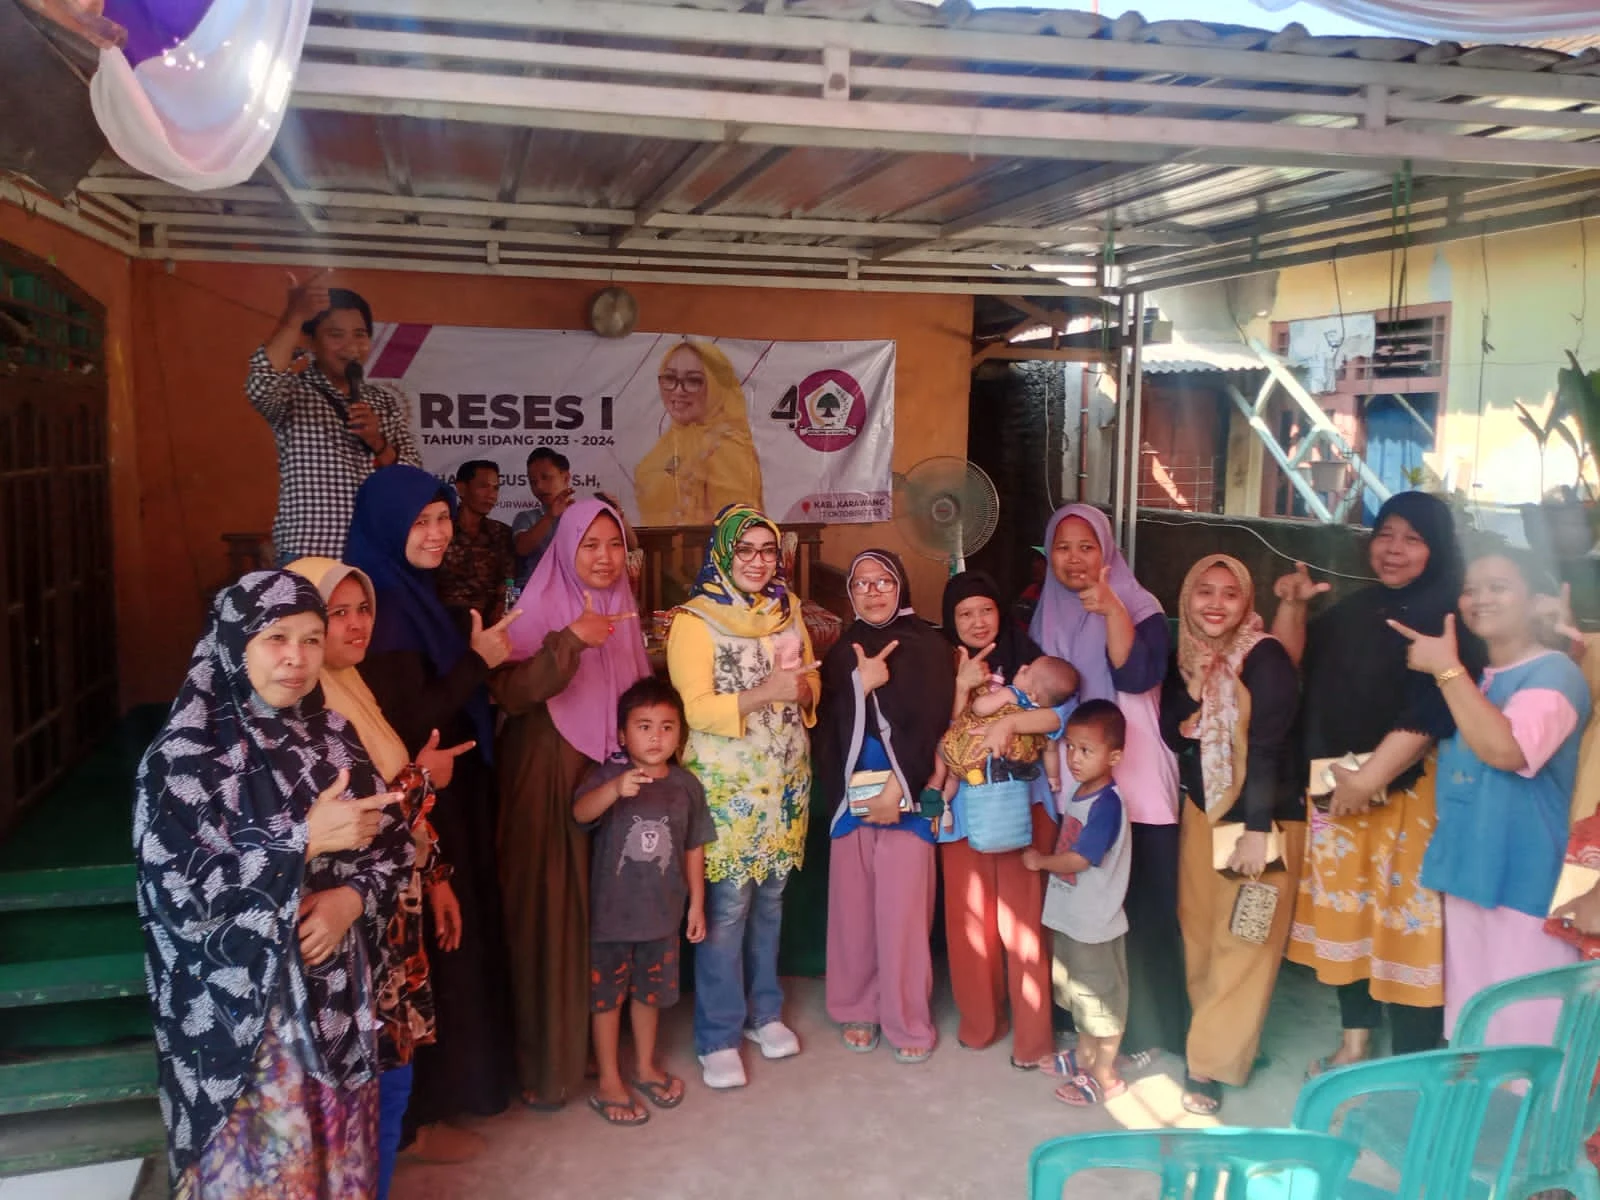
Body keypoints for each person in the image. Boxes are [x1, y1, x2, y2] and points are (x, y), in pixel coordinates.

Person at [134, 570, 411, 1195]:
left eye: (312, 639)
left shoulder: (334, 737)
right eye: (276, 638)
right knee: (264, 1175)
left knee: (341, 1165)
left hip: (336, 1006)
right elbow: (182, 894)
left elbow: (393, 845)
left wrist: (350, 900)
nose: (297, 657)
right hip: (240, 1031)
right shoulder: (184, 759)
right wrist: (303, 842)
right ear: (234, 643)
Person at [286, 557, 484, 1190]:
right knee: (358, 1095)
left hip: (392, 913)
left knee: (393, 1075)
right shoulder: (304, 710)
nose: (356, 625)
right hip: (347, 933)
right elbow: (360, 818)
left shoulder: (352, 685)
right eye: (336, 613)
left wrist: (436, 875)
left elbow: (395, 804)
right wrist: (425, 778)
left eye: (363, 609)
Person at [345, 466, 522, 1133]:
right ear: (388, 526)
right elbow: (411, 720)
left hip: (448, 790)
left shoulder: (416, 592)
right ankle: (438, 1101)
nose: (437, 533)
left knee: (459, 931)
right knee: (442, 940)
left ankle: (465, 1088)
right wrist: (478, 661)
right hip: (421, 802)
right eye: (419, 522)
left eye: (442, 517)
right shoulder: (384, 608)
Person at [1274, 491, 1476, 1072]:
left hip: (1406, 798)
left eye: (1413, 539)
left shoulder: (1449, 616)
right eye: (1385, 534)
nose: (1394, 549)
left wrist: (1368, 780)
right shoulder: (1356, 609)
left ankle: (1411, 1064)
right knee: (1347, 920)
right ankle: (1355, 1044)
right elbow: (1286, 664)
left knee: (1407, 928)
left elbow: (1430, 712)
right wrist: (1291, 607)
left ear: (1437, 549)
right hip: (1335, 789)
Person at [1390, 549, 1589, 1043]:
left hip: (1525, 879)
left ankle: (1526, 1099)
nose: (1480, 599)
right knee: (1473, 1019)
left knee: (1524, 1025)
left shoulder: (1555, 674)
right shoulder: (1482, 678)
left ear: (1537, 600)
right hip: (1469, 869)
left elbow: (1508, 751)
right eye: (1471, 589)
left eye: (1499, 587)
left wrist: (1446, 669)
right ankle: (1475, 1094)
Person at [494, 498, 651, 1108]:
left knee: (598, 913)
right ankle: (548, 1062)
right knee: (552, 913)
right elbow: (508, 693)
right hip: (546, 771)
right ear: (564, 549)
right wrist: (569, 643)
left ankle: (593, 1046)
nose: (605, 558)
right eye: (590, 544)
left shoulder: (624, 608)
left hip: (605, 771)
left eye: (614, 545)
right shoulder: (535, 610)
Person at [666, 503, 818, 1089]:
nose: (757, 561)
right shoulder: (694, 620)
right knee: (727, 910)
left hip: (784, 780)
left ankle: (764, 1013)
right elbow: (695, 709)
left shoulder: (787, 609)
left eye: (767, 550)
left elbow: (811, 679)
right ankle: (718, 1035)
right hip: (727, 788)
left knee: (771, 902)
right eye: (745, 550)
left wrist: (803, 690)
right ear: (724, 553)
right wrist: (767, 691)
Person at [1027, 503, 1186, 1059]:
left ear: (1107, 552)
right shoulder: (1045, 616)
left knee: (1144, 912)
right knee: (1088, 912)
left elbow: (1137, 676)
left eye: (1086, 546)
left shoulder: (1141, 608)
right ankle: (1089, 1026)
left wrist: (1112, 608)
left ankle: (1152, 1032)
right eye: (1062, 547)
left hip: (1139, 786)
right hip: (1079, 788)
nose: (1074, 558)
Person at [1160, 554, 1304, 1117]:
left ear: (1247, 603)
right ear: (1187, 598)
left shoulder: (1264, 658)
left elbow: (1268, 747)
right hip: (1204, 813)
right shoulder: (1187, 655)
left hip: (1260, 821)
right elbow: (1174, 730)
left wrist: (1257, 831)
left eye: (1229, 593)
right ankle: (1221, 1040)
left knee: (1246, 942)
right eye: (1204, 591)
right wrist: (1196, 691)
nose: (1215, 604)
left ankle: (1208, 1063)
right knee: (1199, 933)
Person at [817, 550, 955, 1063]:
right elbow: (827, 727)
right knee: (853, 913)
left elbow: (936, 724)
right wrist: (860, 685)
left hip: (907, 797)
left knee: (903, 917)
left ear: (901, 587)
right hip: (852, 795)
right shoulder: (841, 652)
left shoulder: (930, 647)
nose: (873, 592)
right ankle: (858, 1006)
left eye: (883, 582)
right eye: (862, 583)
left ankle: (907, 1020)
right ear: (850, 593)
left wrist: (903, 788)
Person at [934, 571, 1061, 1072]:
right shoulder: (937, 660)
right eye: (964, 614)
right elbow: (933, 733)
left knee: (1023, 924)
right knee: (970, 923)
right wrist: (958, 688)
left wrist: (1010, 719)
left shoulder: (1030, 659)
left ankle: (1033, 1037)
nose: (977, 622)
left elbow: (1061, 716)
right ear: (951, 621)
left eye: (985, 609)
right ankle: (981, 1023)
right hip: (963, 811)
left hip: (1021, 807)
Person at [574, 678, 715, 1125]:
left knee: (649, 995)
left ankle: (645, 1066)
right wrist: (615, 790)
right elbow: (579, 813)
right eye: (644, 726)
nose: (656, 737)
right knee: (606, 999)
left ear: (680, 734)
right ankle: (609, 1080)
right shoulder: (606, 777)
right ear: (622, 734)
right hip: (610, 920)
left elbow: (694, 847)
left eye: (667, 727)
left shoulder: (686, 785)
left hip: (663, 917)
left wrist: (696, 904)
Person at [246, 272, 421, 562]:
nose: (351, 346)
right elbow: (261, 382)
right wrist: (295, 317)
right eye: (335, 335)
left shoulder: (383, 402)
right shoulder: (293, 392)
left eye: (360, 334)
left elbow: (413, 477)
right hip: (311, 553)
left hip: (374, 552)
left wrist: (378, 443)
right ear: (311, 342)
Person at [1023, 700, 1131, 1107]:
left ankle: (1105, 1074)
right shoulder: (1081, 793)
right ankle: (1085, 1056)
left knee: (1101, 1003)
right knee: (1080, 998)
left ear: (1114, 757)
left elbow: (1080, 859)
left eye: (1086, 750)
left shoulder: (1107, 804)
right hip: (1075, 918)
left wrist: (1041, 862)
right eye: (1070, 747)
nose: (1074, 758)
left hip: (1094, 925)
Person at [634, 341, 764, 526]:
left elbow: (736, 527)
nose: (678, 390)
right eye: (669, 378)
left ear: (716, 386)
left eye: (693, 381)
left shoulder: (726, 446)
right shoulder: (672, 440)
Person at [437, 459, 517, 633]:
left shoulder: (501, 533)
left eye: (495, 488)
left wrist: (504, 608)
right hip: (442, 624)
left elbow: (511, 582)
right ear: (461, 488)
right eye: (483, 486)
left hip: (489, 625)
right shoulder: (439, 530)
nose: (491, 495)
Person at [513, 447, 574, 585]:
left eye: (546, 478)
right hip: (534, 589)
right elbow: (522, 548)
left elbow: (629, 545)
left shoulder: (585, 513)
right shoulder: (526, 518)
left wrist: (619, 517)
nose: (539, 486)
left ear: (565, 477)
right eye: (533, 482)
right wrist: (550, 515)